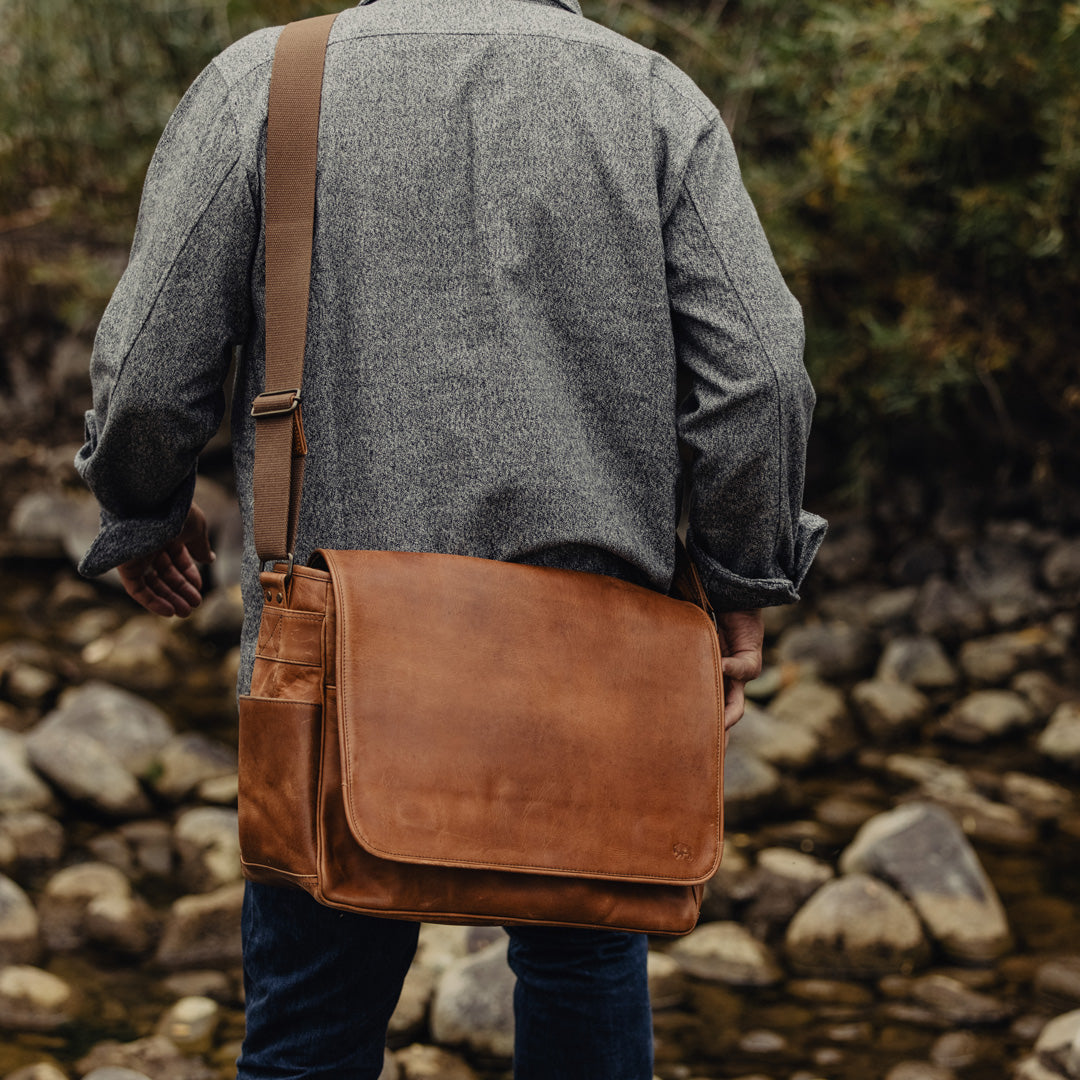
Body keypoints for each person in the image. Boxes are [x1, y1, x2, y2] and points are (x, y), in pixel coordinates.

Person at [75, 0, 826, 1076]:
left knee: (312, 1029)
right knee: (582, 967)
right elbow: (758, 379)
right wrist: (743, 575)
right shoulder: (655, 101)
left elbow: (149, 377)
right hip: (596, 668)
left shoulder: (266, 85)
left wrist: (144, 506)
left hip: (332, 660)